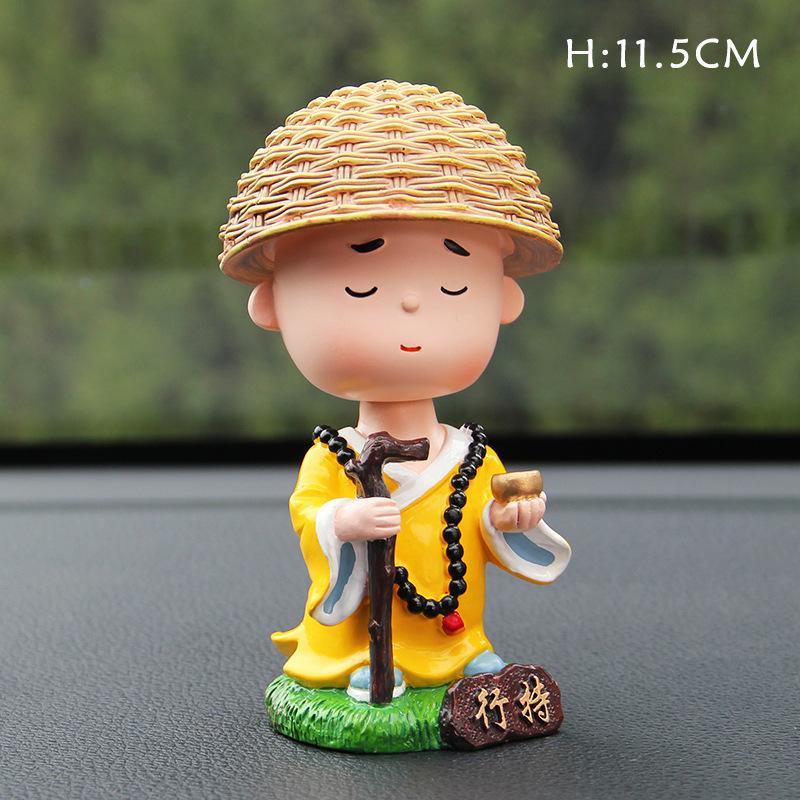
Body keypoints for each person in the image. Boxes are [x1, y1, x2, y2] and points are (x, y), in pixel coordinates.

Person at [219, 80, 571, 703]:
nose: (411, 305)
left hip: (453, 627)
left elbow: (487, 527)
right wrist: (345, 520)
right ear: (273, 305)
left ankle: (457, 650)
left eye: (455, 289)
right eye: (361, 289)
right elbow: (310, 517)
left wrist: (509, 519)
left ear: (504, 299)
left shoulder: (472, 456)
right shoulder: (335, 458)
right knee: (359, 617)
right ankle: (354, 653)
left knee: (457, 615)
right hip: (363, 636)